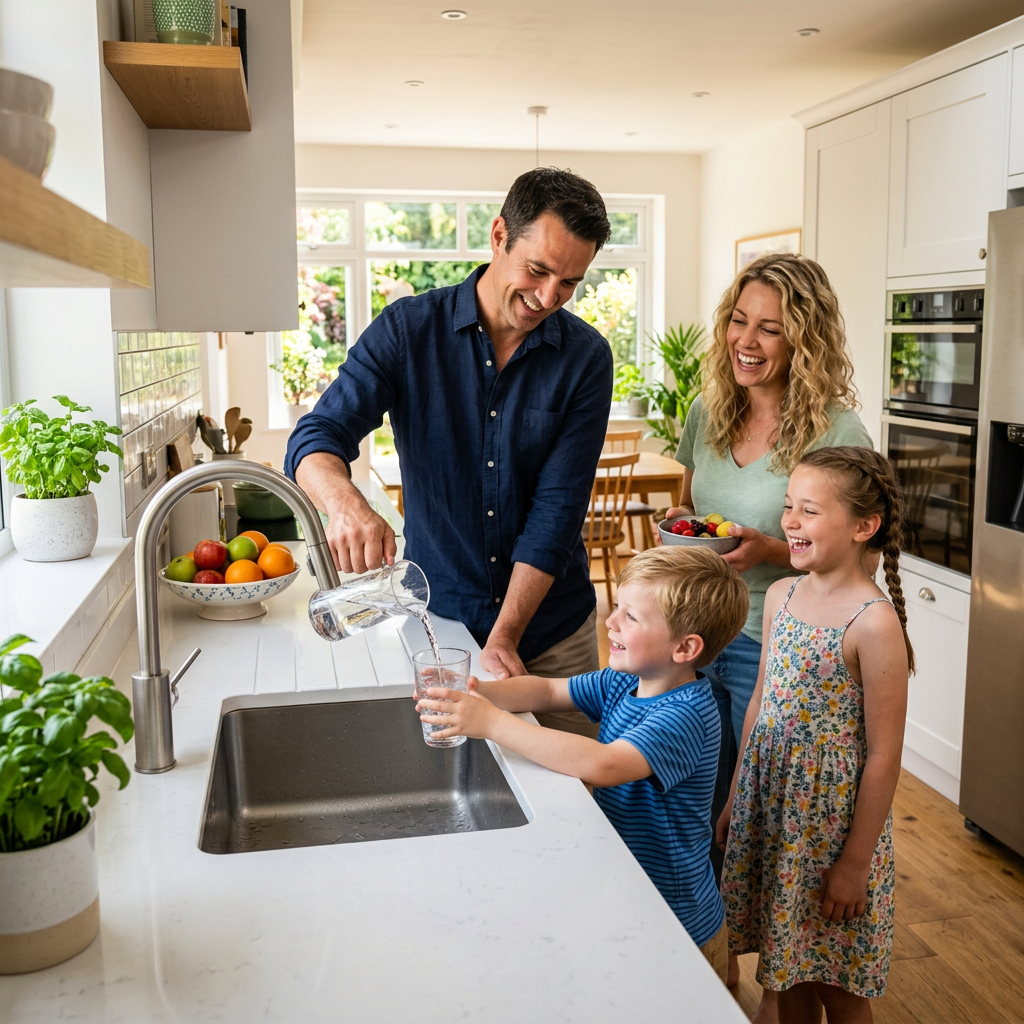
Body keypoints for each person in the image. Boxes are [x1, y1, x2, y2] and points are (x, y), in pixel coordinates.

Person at [285, 169, 614, 733]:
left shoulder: (586, 359)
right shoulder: (408, 331)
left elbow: (557, 513)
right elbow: (316, 436)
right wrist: (344, 503)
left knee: (574, 801)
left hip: (556, 636)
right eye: (537, 270)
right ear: (498, 236)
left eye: (569, 283)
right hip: (442, 628)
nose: (547, 297)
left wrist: (507, 635)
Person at [416, 545, 750, 981]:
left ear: (685, 648)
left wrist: (492, 723)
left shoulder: (686, 714)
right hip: (632, 889)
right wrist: (473, 693)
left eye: (631, 616)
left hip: (677, 913)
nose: (610, 620)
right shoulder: (625, 680)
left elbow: (604, 764)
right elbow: (549, 692)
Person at [667, 254, 874, 899]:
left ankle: (753, 964)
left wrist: (771, 550)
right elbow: (694, 501)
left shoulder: (836, 431)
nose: (746, 342)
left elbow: (858, 559)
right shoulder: (708, 410)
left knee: (749, 812)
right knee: (689, 798)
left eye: (770, 329)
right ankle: (708, 954)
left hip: (771, 644)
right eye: (738, 321)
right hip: (697, 633)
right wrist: (685, 524)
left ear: (804, 341)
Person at [719, 447, 912, 1024]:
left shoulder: (874, 623)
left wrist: (854, 864)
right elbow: (759, 704)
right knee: (788, 971)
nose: (791, 523)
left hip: (831, 831)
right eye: (788, 508)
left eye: (809, 511)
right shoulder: (781, 595)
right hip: (775, 814)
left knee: (840, 987)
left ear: (863, 527)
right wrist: (735, 796)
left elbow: (884, 756)